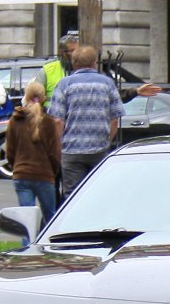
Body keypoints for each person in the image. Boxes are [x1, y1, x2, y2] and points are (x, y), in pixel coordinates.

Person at [52, 44, 123, 196]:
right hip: (99, 148)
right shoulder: (107, 83)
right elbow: (115, 119)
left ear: (73, 63)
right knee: (99, 193)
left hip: (71, 149)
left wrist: (59, 145)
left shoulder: (64, 84)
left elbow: (57, 121)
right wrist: (107, 141)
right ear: (94, 62)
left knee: (72, 195)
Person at [6, 81, 62, 247]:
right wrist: (53, 172)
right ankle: (49, 248)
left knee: (27, 218)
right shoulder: (49, 122)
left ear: (26, 96)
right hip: (44, 175)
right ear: (44, 98)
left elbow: (10, 150)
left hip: (21, 174)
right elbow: (54, 153)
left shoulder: (15, 120)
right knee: (50, 216)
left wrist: (15, 167)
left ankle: (27, 250)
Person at [39, 31, 78, 111]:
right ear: (60, 52)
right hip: (51, 114)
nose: (73, 54)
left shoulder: (84, 68)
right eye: (69, 51)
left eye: (75, 51)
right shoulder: (48, 70)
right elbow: (34, 96)